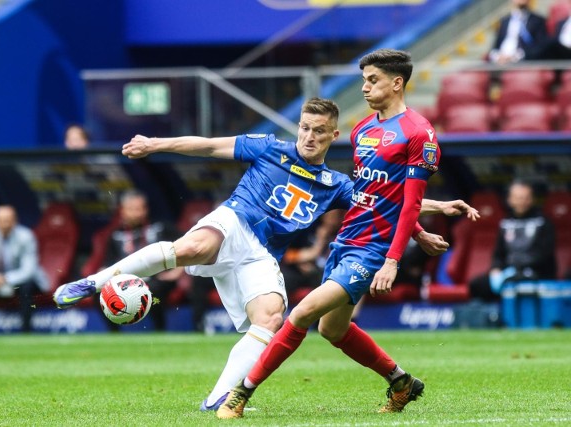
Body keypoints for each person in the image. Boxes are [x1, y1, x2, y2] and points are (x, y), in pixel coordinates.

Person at [53, 96, 477, 412]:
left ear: (333, 135)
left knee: (271, 318)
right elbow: (206, 146)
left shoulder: (336, 183)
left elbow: (389, 199)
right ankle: (95, 281)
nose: (309, 136)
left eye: (319, 130)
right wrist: (155, 144)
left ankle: (219, 397)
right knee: (194, 247)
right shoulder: (269, 147)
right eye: (305, 127)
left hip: (262, 253)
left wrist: (442, 207)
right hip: (234, 222)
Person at [216, 49, 448, 419]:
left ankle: (240, 394)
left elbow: (408, 202)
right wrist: (420, 232)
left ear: (397, 83)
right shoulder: (363, 130)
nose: (365, 87)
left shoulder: (419, 134)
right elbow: (373, 196)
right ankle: (402, 382)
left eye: (372, 80)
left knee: (303, 312)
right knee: (333, 329)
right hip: (346, 240)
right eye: (364, 80)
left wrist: (392, 259)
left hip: (374, 250)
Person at [101, 189, 184, 331]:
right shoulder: (115, 235)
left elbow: (185, 246)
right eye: (131, 209)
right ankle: (113, 335)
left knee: (155, 293)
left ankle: (159, 330)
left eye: (138, 209)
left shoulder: (161, 228)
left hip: (158, 280)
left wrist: (178, 271)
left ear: (145, 209)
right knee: (103, 292)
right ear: (122, 211)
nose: (135, 213)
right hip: (126, 282)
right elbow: (107, 264)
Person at [468, 180, 556, 301]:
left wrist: (518, 267)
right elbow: (498, 253)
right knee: (477, 285)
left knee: (511, 282)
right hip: (508, 271)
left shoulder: (543, 222)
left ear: (532, 199)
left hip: (535, 272)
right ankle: (494, 316)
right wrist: (496, 269)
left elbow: (544, 254)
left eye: (526, 198)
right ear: (510, 200)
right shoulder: (505, 223)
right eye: (518, 198)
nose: (522, 202)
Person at [0, 205, 49, 333]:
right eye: (0, 220)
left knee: (26, 288)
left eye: (7, 220)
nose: (4, 225)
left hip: (26, 281)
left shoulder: (26, 236)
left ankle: (26, 332)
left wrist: (4, 279)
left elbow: (28, 270)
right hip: (0, 282)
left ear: (15, 221)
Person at [487, 0, 548, 64]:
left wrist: (516, 56)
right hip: (499, 61)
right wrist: (498, 57)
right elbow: (495, 47)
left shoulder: (537, 20)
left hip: (521, 62)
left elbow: (539, 46)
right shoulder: (504, 21)